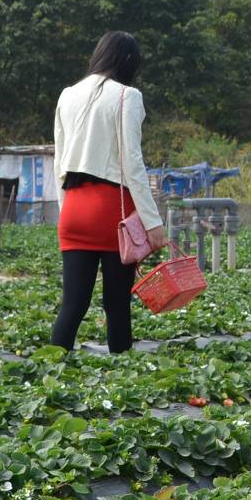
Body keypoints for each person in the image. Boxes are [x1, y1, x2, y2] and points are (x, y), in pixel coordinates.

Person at [50, 32, 168, 353]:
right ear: (128, 61)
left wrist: (66, 213)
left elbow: (59, 162)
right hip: (111, 214)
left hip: (73, 210)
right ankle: (122, 374)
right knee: (116, 304)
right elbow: (132, 162)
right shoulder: (127, 96)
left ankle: (49, 376)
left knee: (72, 306)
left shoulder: (67, 95)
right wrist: (152, 221)